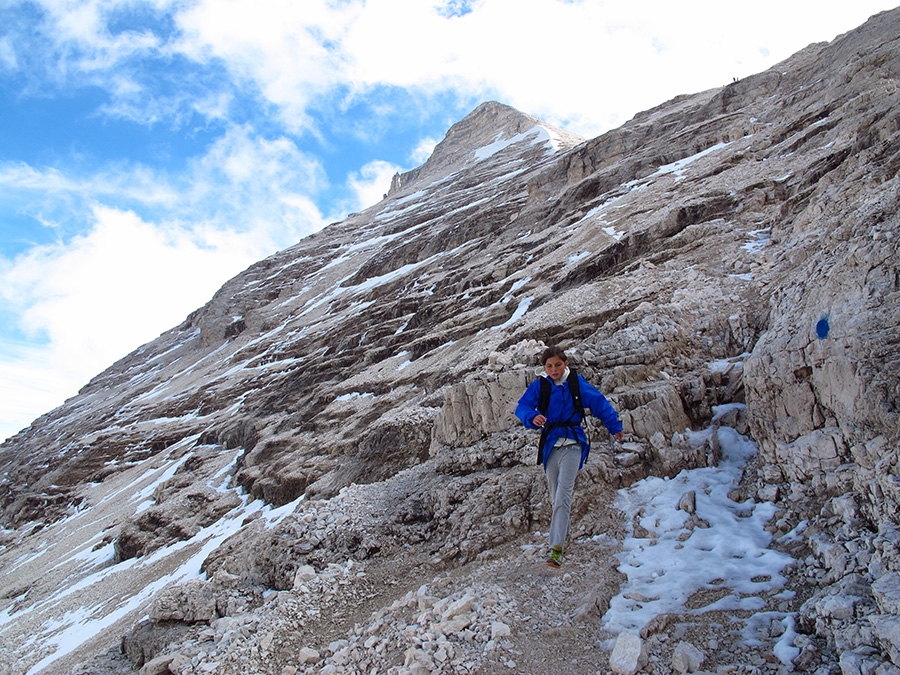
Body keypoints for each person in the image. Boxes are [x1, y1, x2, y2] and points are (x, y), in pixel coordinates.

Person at [515, 345, 624, 568]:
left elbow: (599, 403)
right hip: (551, 445)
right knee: (556, 497)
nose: (554, 369)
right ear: (544, 368)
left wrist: (614, 426)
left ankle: (555, 549)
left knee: (563, 494)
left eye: (557, 364)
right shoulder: (541, 386)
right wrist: (532, 416)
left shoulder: (576, 383)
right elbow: (522, 407)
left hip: (573, 443)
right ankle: (565, 537)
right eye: (549, 366)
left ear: (565, 363)